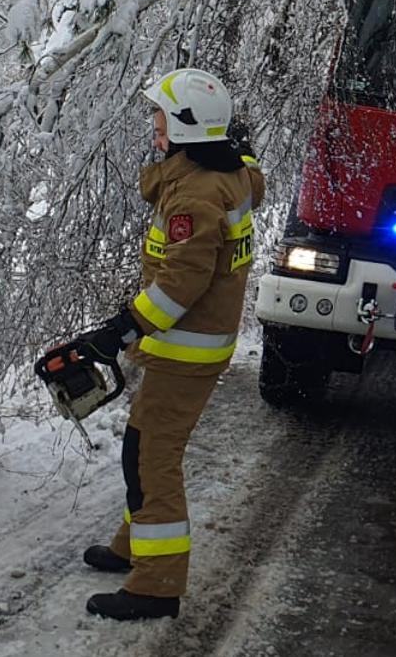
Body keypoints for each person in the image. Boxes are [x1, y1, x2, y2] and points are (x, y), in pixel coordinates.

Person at [69, 67, 265, 621]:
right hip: (198, 345)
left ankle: (156, 584)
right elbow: (254, 174)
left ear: (182, 127)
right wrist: (237, 149)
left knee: (151, 456)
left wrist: (120, 331)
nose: (152, 125)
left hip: (188, 348)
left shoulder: (196, 197)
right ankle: (133, 548)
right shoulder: (231, 176)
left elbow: (180, 285)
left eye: (159, 116)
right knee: (146, 447)